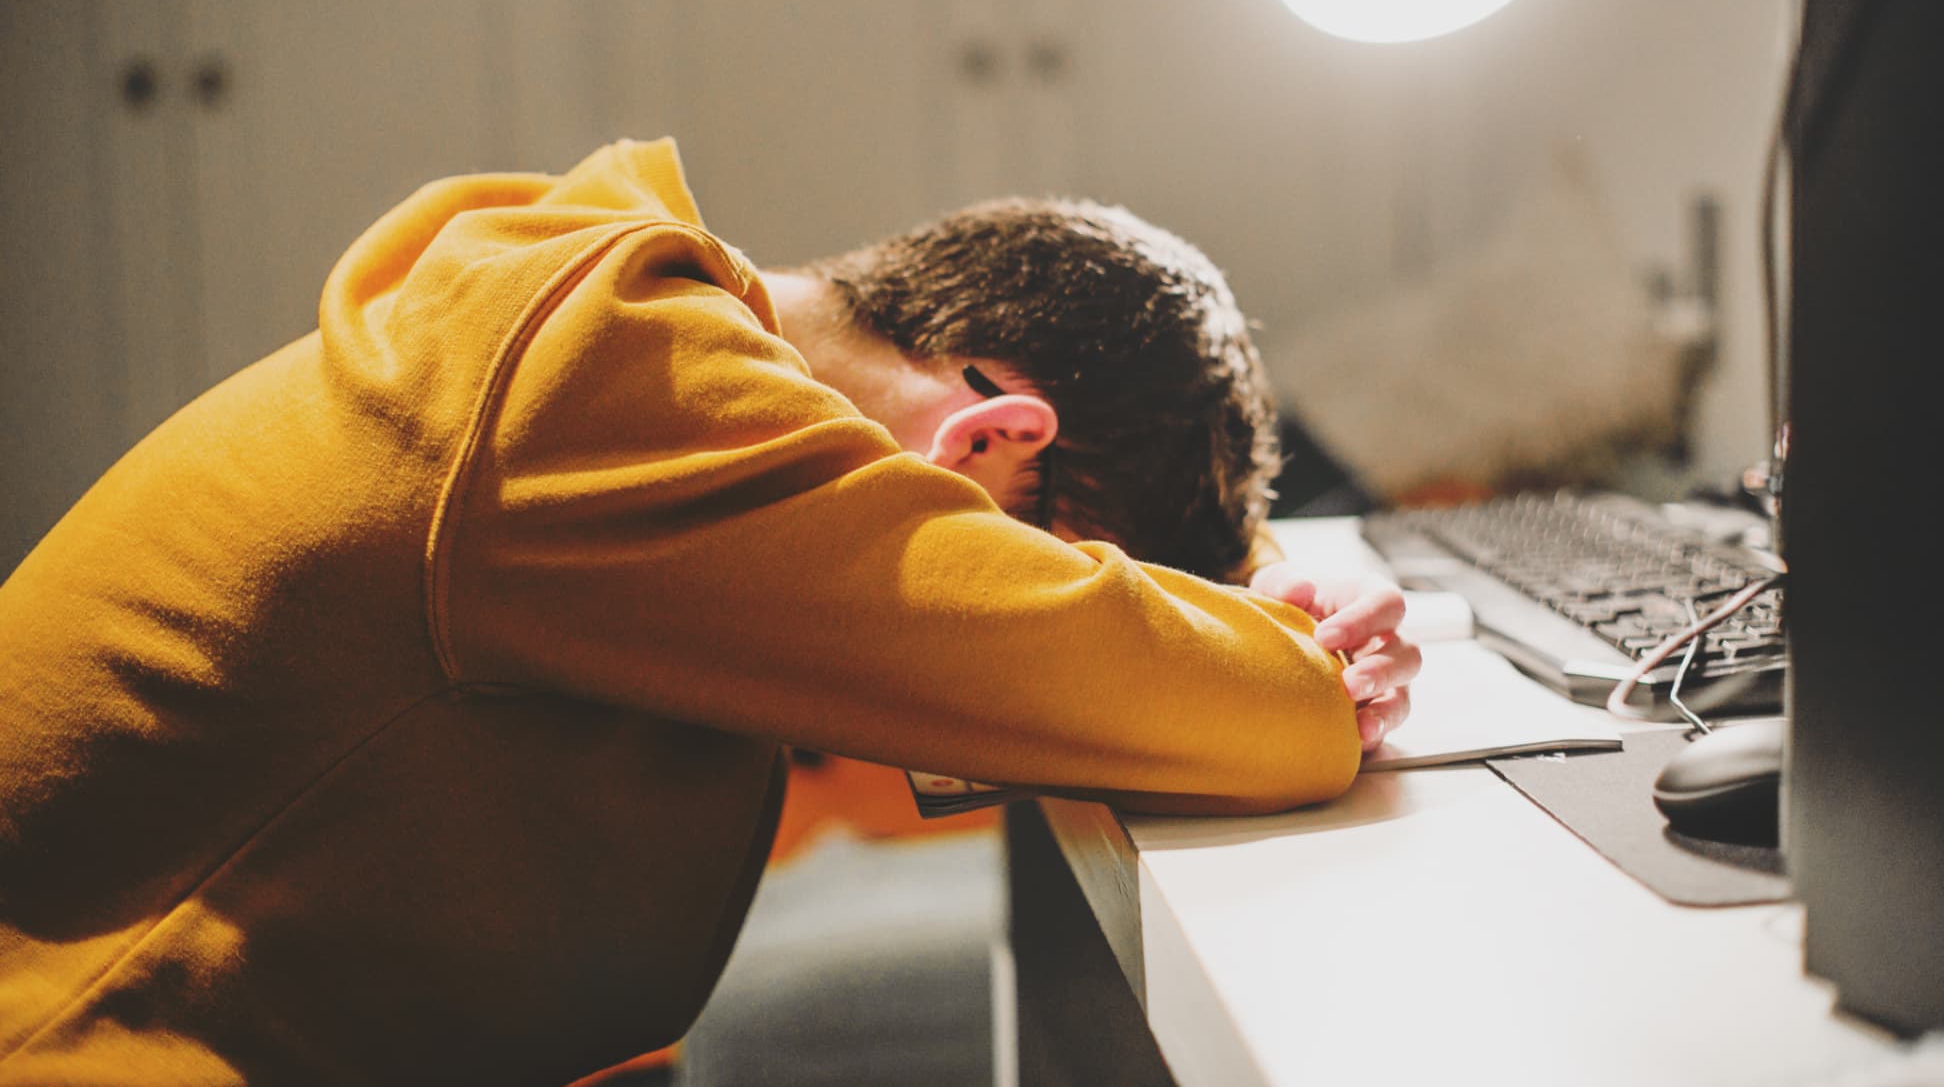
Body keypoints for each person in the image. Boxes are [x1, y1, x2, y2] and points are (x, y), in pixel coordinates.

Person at [0, 137, 1417, 1086]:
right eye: (1058, 559)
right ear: (989, 443)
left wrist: (1253, 605)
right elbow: (1210, 707)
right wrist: (1291, 673)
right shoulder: (608, 374)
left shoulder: (590, 326)